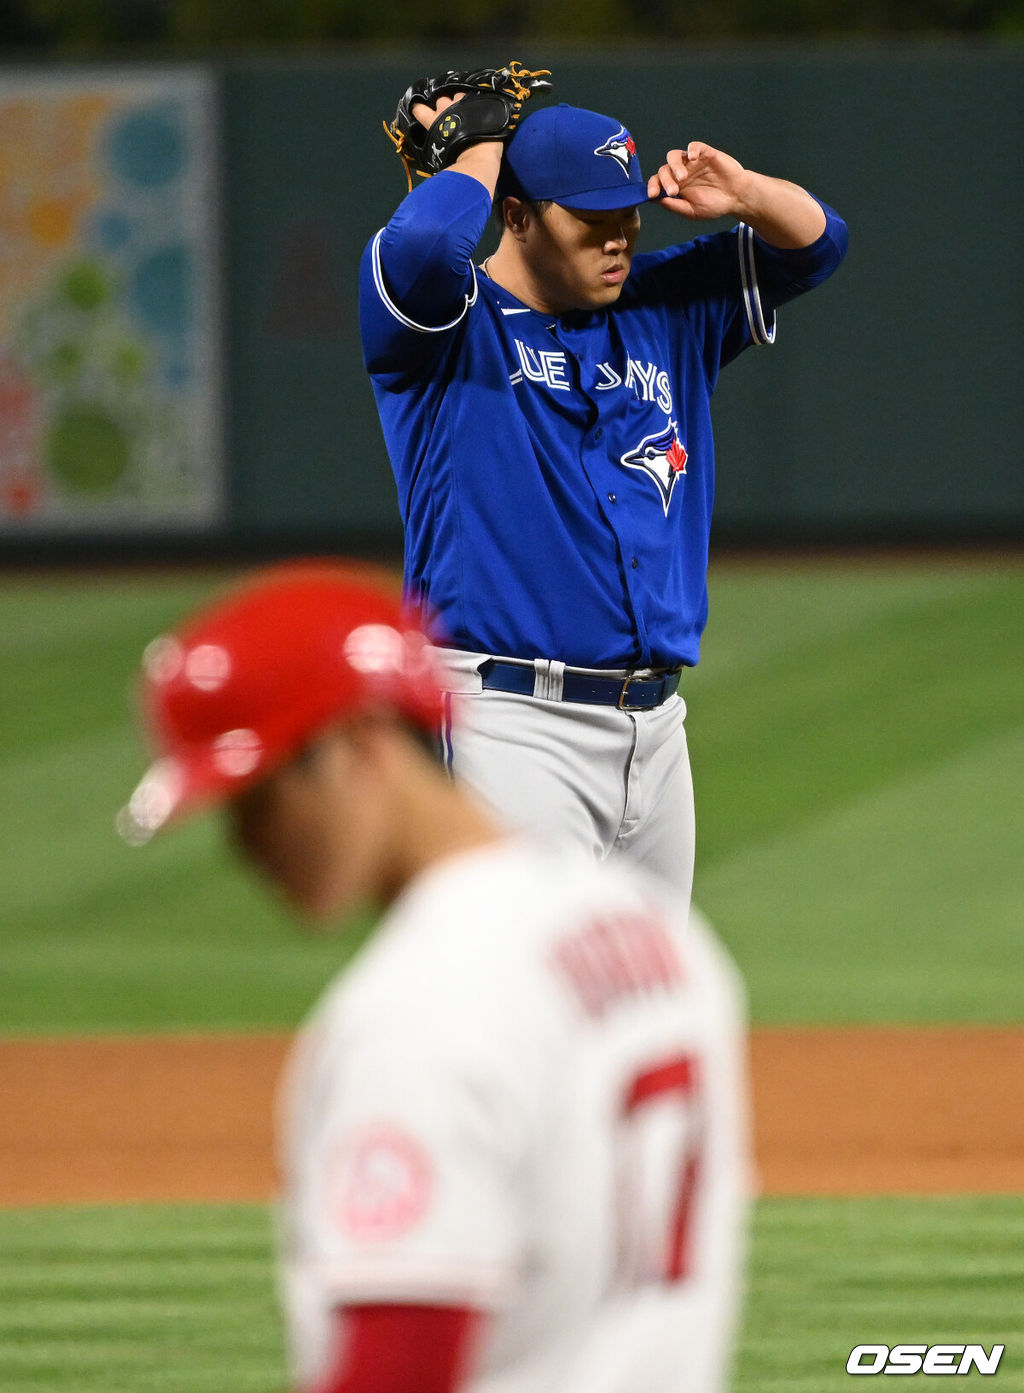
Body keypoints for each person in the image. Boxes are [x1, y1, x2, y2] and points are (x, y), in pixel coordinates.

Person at [119, 560, 751, 1393]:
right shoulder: (664, 947)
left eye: (258, 800)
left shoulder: (420, 1016)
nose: (245, 851)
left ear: (359, 746)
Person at [360, 81, 848, 910]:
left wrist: (748, 195)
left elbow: (817, 245)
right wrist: (479, 155)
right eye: (591, 217)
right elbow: (422, 247)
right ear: (515, 216)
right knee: (517, 1005)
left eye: (628, 211)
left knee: (633, 1009)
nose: (620, 236)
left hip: (656, 733)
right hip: (507, 723)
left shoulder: (665, 308)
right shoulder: (447, 327)